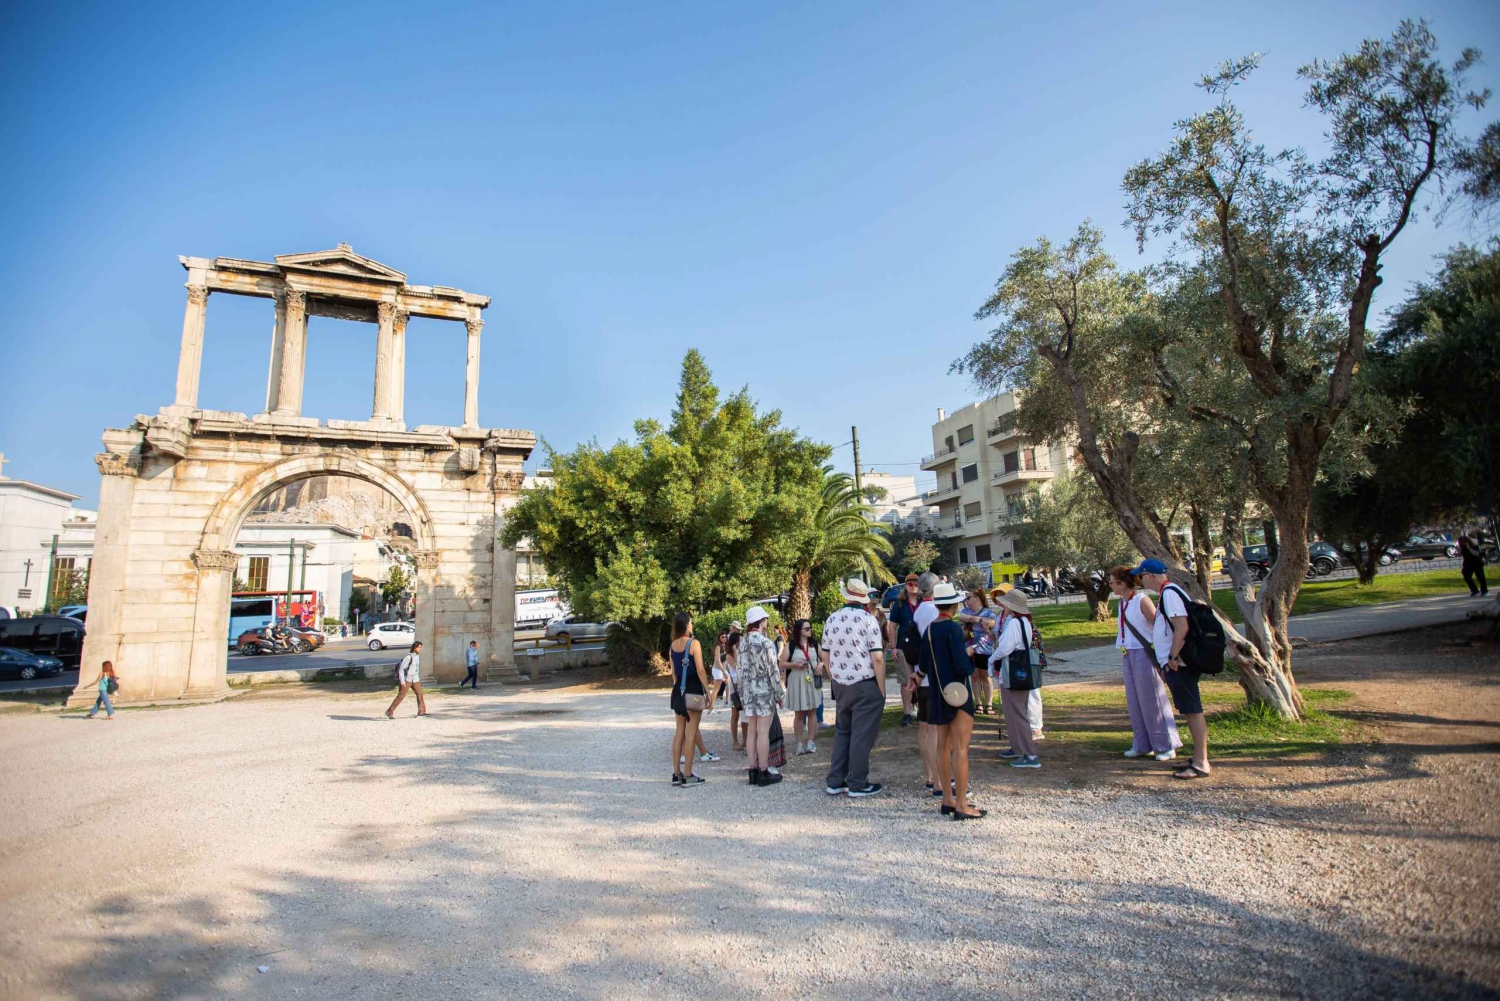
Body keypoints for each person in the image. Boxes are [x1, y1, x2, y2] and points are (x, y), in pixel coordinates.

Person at [1133, 559, 1211, 780]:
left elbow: (1182, 626)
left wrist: (1173, 656)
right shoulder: (1168, 593)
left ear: (1150, 576)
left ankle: (1201, 762)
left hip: (1181, 663)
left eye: (1141, 575)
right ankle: (1196, 757)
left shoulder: (1169, 594)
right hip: (1176, 662)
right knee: (1189, 710)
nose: (1140, 580)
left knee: (1193, 710)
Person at [922, 583, 984, 819]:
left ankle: (946, 798)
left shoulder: (929, 629)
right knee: (961, 749)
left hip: (937, 692)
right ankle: (961, 804)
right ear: (955, 605)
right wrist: (968, 654)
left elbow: (926, 664)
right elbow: (961, 666)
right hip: (958, 693)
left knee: (942, 746)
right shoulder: (952, 630)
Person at [821, 578, 887, 797]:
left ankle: (835, 780)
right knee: (861, 734)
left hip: (841, 683)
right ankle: (857, 783)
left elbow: (825, 653)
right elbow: (877, 657)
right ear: (863, 598)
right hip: (865, 682)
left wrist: (834, 676)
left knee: (842, 731)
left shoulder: (832, 619)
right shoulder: (868, 620)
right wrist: (882, 687)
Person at [1108, 566, 1181, 761]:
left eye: (1112, 582)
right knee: (1135, 700)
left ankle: (1166, 744)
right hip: (1127, 653)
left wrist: (1163, 655)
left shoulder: (1141, 600)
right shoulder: (1122, 603)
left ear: (1122, 584)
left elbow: (1158, 626)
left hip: (1144, 654)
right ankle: (1142, 744)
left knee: (1152, 700)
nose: (1110, 586)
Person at [989, 589, 1042, 768]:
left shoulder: (1013, 623)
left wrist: (991, 659)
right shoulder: (1024, 621)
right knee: (1013, 711)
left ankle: (1029, 753)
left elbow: (1005, 648)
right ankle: (1018, 747)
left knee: (1017, 713)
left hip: (1012, 672)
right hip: (1018, 671)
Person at [737, 606, 785, 786]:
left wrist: (742, 694)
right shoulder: (765, 643)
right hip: (764, 691)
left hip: (748, 693)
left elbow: (740, 672)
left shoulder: (742, 643)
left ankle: (752, 769)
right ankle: (764, 770)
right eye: (765, 618)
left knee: (751, 732)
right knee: (763, 732)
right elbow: (773, 670)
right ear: (761, 621)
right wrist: (779, 694)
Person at [669, 612, 711, 787]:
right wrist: (708, 692)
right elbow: (700, 670)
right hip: (693, 690)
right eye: (691, 623)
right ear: (687, 625)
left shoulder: (672, 645)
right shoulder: (694, 643)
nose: (692, 625)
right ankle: (688, 774)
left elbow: (673, 673)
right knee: (691, 732)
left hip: (678, 689)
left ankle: (676, 774)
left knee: (679, 732)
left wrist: (680, 687)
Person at [779, 618, 821, 755]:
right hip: (797, 680)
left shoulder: (814, 644)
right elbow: (781, 663)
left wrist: (821, 665)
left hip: (812, 680)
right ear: (799, 631)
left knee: (812, 711)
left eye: (810, 628)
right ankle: (799, 744)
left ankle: (810, 742)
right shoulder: (791, 645)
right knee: (799, 714)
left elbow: (826, 658)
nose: (810, 631)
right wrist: (794, 665)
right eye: (807, 628)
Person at [886, 573, 922, 725]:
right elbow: (892, 627)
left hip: (921, 646)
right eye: (910, 583)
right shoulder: (899, 603)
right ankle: (907, 712)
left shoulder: (924, 601)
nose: (913, 586)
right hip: (903, 646)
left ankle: (922, 710)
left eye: (916, 583)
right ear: (906, 586)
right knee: (905, 680)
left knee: (921, 678)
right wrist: (893, 647)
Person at [958, 590, 997, 715]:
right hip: (970, 648)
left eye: (969, 598)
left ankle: (989, 703)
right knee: (974, 676)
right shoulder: (966, 611)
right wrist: (978, 619)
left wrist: (976, 620)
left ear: (977, 598)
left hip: (985, 648)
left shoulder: (989, 612)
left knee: (986, 676)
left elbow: (992, 623)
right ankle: (978, 703)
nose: (967, 601)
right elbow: (962, 617)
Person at [386, 641, 428, 718]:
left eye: (421, 647)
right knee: (401, 696)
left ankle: (421, 711)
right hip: (407, 679)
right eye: (419, 647)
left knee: (420, 693)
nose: (420, 649)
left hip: (415, 679)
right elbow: (401, 669)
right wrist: (402, 681)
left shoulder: (417, 656)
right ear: (414, 648)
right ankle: (390, 711)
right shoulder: (408, 657)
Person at [724, 632, 745, 752]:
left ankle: (746, 739)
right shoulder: (729, 655)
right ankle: (735, 741)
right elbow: (737, 666)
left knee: (745, 715)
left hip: (743, 685)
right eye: (739, 641)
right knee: (735, 714)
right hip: (734, 686)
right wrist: (736, 652)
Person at [1460, 532, 1489, 597]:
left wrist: (1469, 547)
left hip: (1477, 563)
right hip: (1467, 564)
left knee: (1480, 577)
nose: (1462, 543)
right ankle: (1474, 590)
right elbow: (1460, 554)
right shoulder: (1463, 548)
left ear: (1468, 541)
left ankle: (1484, 591)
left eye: (1463, 542)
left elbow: (1476, 554)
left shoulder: (1475, 546)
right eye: (1461, 542)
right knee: (1466, 576)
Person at [709, 630, 730, 711]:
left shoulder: (725, 646)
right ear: (719, 638)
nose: (724, 638)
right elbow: (718, 660)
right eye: (722, 637)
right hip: (718, 670)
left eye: (725, 637)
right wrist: (724, 671)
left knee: (729, 683)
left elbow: (726, 660)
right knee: (716, 689)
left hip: (723, 669)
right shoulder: (718, 646)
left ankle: (727, 701)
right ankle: (711, 707)